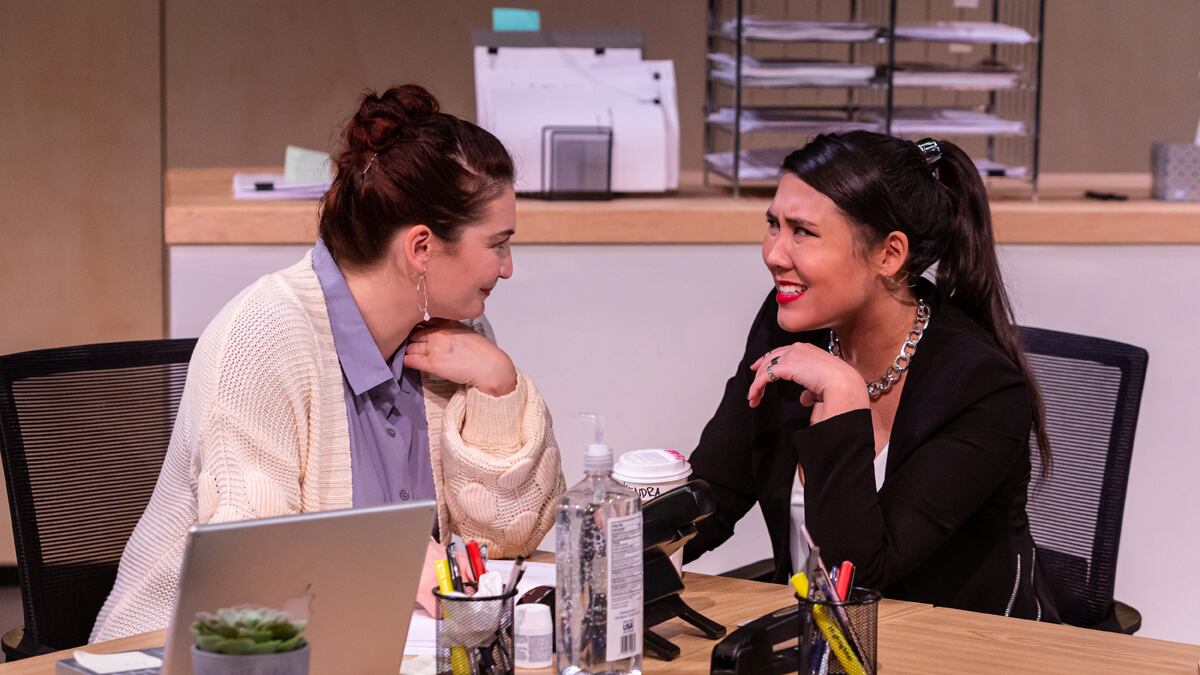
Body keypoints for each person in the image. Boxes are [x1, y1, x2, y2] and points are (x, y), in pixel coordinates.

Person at [92, 85, 566, 641]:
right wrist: (385, 558)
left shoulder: (462, 339)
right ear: (421, 248)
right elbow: (249, 572)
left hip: (381, 646)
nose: (507, 268)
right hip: (188, 651)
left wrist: (498, 388)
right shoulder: (261, 338)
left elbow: (504, 546)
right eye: (498, 244)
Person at [683, 132, 1058, 621]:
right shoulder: (788, 329)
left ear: (889, 255)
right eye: (774, 225)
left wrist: (844, 394)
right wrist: (622, 543)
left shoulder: (982, 388)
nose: (775, 253)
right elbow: (715, 492)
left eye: (803, 232)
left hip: (957, 643)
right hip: (819, 639)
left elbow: (857, 575)